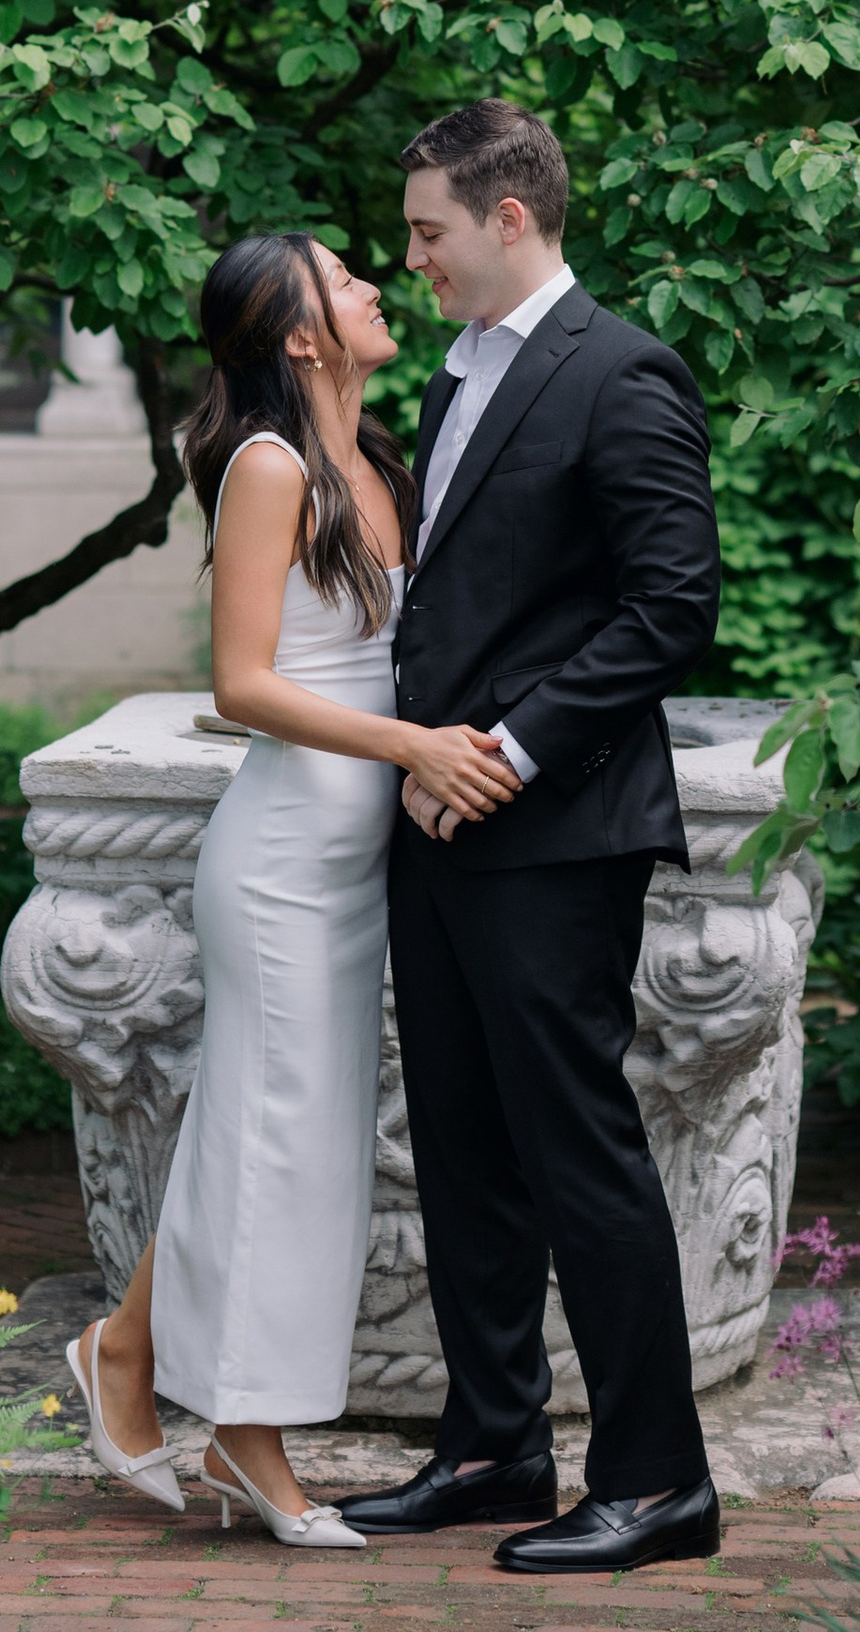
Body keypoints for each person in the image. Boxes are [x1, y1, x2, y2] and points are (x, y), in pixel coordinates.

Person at [62, 231, 522, 1549]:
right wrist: (415, 748)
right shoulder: (268, 468)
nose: (378, 282)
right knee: (276, 1147)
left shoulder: (378, 461)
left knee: (272, 1139)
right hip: (277, 864)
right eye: (345, 278)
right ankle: (251, 1444)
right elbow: (246, 686)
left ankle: (124, 1353)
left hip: (357, 854)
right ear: (304, 337)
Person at [344, 100, 726, 1576]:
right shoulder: (457, 378)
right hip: (433, 821)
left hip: (554, 827)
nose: (415, 256)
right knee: (462, 1144)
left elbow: (668, 607)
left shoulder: (621, 371)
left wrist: (499, 752)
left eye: (429, 230)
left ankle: (660, 1477)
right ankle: (496, 1442)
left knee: (580, 1150)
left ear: (511, 216)